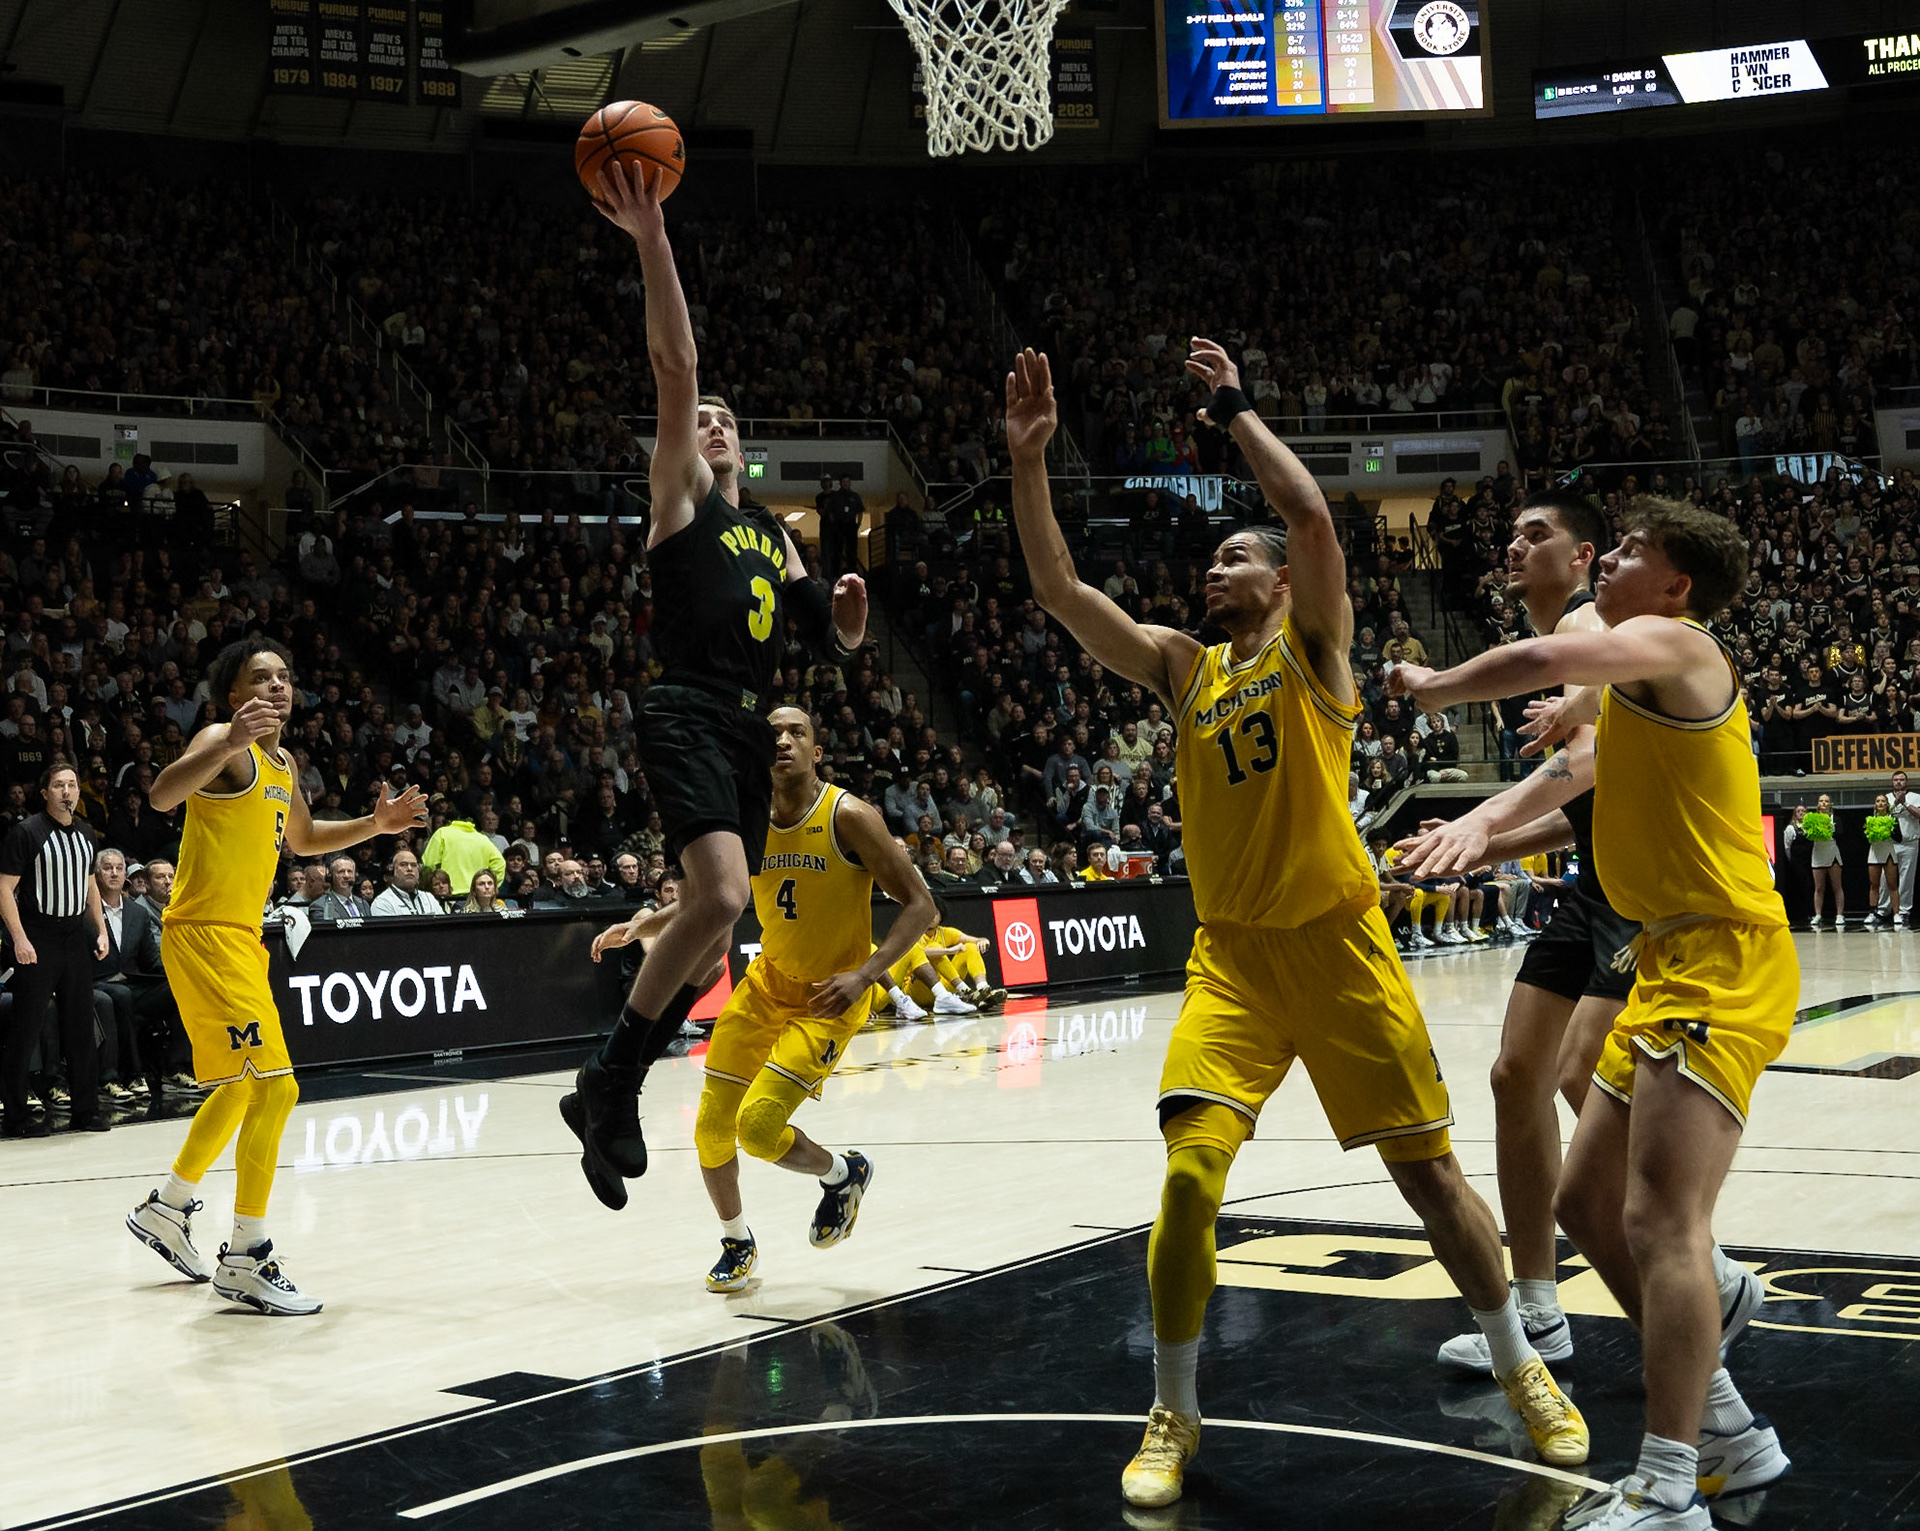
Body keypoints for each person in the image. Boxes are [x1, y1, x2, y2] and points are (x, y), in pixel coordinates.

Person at [1003, 345, 1586, 1512]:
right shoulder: (1184, 670)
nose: (1210, 571)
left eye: (1232, 557)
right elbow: (1063, 593)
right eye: (1212, 558)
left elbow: (1312, 514)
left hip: (1338, 946)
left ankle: (1525, 1369)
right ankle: (1173, 1403)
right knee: (1186, 1183)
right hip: (1232, 962)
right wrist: (1027, 466)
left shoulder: (1319, 655)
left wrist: (1233, 413)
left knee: (1429, 1182)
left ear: (1278, 582)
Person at [1392, 496, 1796, 1529]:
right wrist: (1484, 838)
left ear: (1676, 584)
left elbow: (1532, 665)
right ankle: (1732, 1430)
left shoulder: (1676, 641)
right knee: (1586, 1204)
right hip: (1664, 955)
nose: (1608, 562)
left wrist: (1435, 683)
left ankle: (1668, 1492)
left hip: (1719, 958)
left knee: (1662, 1222)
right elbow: (1579, 794)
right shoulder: (1632, 689)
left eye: (1629, 552)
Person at [564, 160, 868, 1211]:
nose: (713, 423)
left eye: (728, 419)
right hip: (686, 703)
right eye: (703, 419)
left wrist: (844, 631)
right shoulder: (682, 500)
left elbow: (819, 648)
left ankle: (604, 1082)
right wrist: (653, 238)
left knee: (712, 926)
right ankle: (612, 1080)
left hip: (745, 725)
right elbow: (675, 361)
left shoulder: (774, 537)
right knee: (727, 897)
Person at [124, 638, 425, 1316]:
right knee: (277, 1086)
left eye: (285, 676)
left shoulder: (284, 762)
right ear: (234, 695)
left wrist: (376, 824)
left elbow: (306, 841)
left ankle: (167, 1207)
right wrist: (223, 738)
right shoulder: (222, 741)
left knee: (239, 1090)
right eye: (260, 678)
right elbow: (164, 792)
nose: (278, 686)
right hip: (203, 936)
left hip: (238, 939)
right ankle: (246, 1256)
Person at [590, 706, 933, 1274]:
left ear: (816, 751)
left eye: (797, 731)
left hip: (829, 998)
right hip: (767, 987)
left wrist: (865, 975)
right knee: (711, 1131)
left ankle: (843, 1174)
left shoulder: (849, 815)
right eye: (772, 733)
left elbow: (922, 906)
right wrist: (646, 923)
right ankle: (736, 1241)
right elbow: (718, 892)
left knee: (757, 1127)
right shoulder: (749, 817)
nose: (783, 740)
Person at [0, 763, 109, 1136]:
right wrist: (19, 937)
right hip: (37, 934)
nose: (67, 791)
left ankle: (86, 1110)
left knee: (80, 1025)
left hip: (74, 935)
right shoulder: (26, 832)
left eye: (72, 785)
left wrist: (101, 929)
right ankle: (15, 1115)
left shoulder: (86, 832)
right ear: (45, 792)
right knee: (27, 1026)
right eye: (59, 785)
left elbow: (90, 884)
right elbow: (4, 888)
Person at [419, 814, 506, 901]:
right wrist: (488, 886)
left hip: (449, 896)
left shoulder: (442, 833)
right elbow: (500, 864)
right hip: (476, 897)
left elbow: (429, 864)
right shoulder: (483, 838)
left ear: (450, 823)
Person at [1881, 770, 1919, 925]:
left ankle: (1903, 910)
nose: (1898, 782)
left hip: (1910, 843)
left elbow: (1918, 814)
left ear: (1906, 782)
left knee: (1906, 878)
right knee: (1885, 879)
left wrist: (1904, 802)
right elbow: (1879, 815)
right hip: (1890, 844)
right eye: (1895, 780)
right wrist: (1895, 803)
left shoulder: (1915, 797)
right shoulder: (1886, 798)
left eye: (1902, 780)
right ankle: (1883, 910)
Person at [1807, 791, 1843, 930]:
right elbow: (1807, 835)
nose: (1824, 803)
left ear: (1830, 804)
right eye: (1821, 801)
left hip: (1832, 851)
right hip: (1818, 852)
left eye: (1826, 801)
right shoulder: (1812, 818)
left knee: (1836, 886)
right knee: (1819, 887)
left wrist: (1827, 829)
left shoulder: (1836, 818)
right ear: (1818, 804)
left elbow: (1839, 833)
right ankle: (1818, 914)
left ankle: (1839, 915)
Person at [370, 849, 443, 917]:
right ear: (393, 871)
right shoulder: (382, 902)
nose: (410, 869)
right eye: (403, 864)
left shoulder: (429, 898)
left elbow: (443, 927)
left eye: (414, 865)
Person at [1864, 794, 1896, 926]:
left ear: (1887, 804)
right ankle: (1872, 912)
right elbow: (1866, 838)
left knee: (1892, 885)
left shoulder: (1892, 818)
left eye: (1883, 801)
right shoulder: (1870, 819)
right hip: (1875, 853)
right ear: (1875, 804)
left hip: (1888, 852)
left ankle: (1897, 914)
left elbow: (1899, 837)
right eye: (1878, 801)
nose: (1881, 803)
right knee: (1874, 885)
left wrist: (1890, 830)